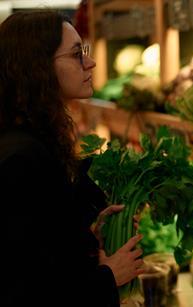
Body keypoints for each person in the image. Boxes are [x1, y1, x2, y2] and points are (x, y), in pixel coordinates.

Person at [0, 10, 144, 307]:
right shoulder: (18, 158)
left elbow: (40, 247)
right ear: (37, 67)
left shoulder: (37, 138)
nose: (90, 62)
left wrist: (84, 233)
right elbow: (20, 289)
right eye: (77, 53)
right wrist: (108, 277)